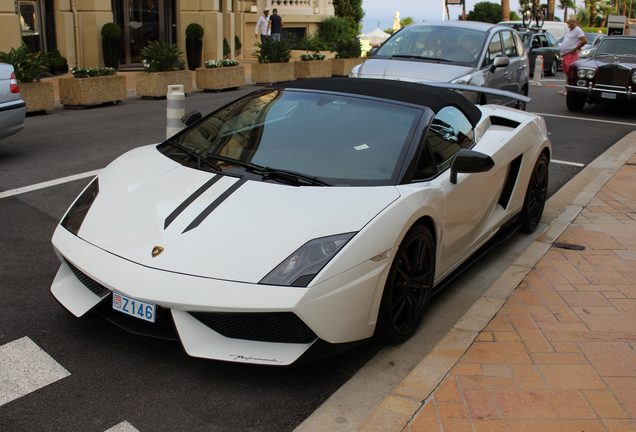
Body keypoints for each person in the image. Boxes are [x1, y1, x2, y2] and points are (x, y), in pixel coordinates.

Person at [559, 17, 587, 95]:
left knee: (570, 73)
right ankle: (566, 89)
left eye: (572, 22)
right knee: (567, 73)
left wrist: (576, 48)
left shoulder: (578, 30)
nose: (570, 23)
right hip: (565, 54)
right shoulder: (569, 30)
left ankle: (569, 90)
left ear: (575, 22)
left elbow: (584, 40)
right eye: (569, 22)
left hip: (571, 54)